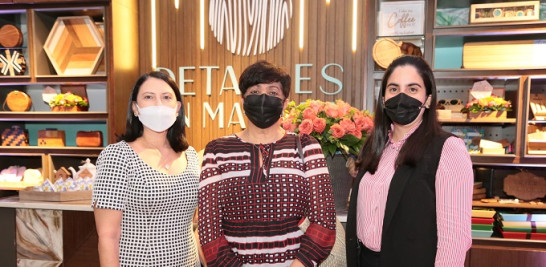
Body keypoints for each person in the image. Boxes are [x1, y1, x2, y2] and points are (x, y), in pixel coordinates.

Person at [198, 61, 337, 267]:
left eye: (273, 92)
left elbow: (324, 221)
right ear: (242, 100)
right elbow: (209, 228)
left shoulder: (307, 146)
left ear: (285, 101)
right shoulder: (217, 150)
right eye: (255, 91)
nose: (263, 98)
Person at [346, 55, 473, 267]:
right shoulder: (374, 146)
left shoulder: (448, 149)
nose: (401, 96)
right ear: (384, 98)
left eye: (412, 89)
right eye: (394, 89)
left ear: (429, 99)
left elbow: (454, 239)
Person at [92, 71, 202, 267]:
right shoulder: (117, 156)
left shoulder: (191, 155)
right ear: (135, 108)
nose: (158, 104)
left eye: (166, 97)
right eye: (148, 97)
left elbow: (192, 223)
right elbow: (108, 236)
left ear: (177, 108)